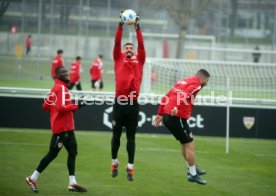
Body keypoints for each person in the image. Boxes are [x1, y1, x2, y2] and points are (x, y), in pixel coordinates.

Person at [25, 66, 87, 193]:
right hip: (62, 129)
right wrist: (78, 105)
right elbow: (61, 108)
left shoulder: (56, 88)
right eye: (63, 72)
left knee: (73, 152)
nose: (67, 73)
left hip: (67, 128)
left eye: (66, 71)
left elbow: (45, 105)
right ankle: (32, 178)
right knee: (52, 154)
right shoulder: (62, 88)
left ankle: (72, 183)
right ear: (57, 75)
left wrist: (55, 115)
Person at [153, 69, 210, 185]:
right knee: (189, 143)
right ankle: (193, 174)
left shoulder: (183, 81)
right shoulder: (196, 85)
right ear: (203, 79)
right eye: (207, 81)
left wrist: (160, 114)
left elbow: (167, 96)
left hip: (169, 116)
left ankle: (192, 169)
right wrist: (177, 107)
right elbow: (185, 95)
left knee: (184, 143)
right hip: (176, 117)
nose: (206, 83)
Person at [110, 13, 145, 181]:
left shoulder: (140, 60)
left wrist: (137, 27)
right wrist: (120, 25)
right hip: (119, 103)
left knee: (131, 138)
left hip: (133, 104)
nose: (129, 49)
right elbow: (117, 42)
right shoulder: (118, 58)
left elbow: (141, 44)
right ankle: (114, 161)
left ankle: (130, 166)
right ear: (123, 51)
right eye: (127, 48)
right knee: (116, 136)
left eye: (132, 48)